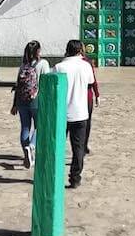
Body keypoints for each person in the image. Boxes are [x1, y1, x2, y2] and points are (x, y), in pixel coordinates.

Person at [55, 39, 94, 189]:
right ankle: (75, 177)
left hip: (62, 113)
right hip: (80, 113)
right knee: (78, 148)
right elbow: (90, 82)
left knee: (58, 146)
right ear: (80, 51)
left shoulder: (59, 67)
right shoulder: (86, 66)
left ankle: (56, 175)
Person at [10, 40, 50, 168]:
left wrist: (14, 104)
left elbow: (17, 85)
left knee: (25, 128)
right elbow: (46, 84)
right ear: (38, 51)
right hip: (36, 100)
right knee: (40, 126)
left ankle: (26, 153)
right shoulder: (43, 64)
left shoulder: (23, 66)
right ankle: (32, 146)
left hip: (22, 101)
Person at [82, 53, 100, 155]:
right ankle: (84, 146)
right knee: (86, 123)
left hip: (70, 98)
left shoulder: (63, 64)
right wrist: (97, 94)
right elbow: (93, 81)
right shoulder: (87, 63)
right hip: (86, 97)